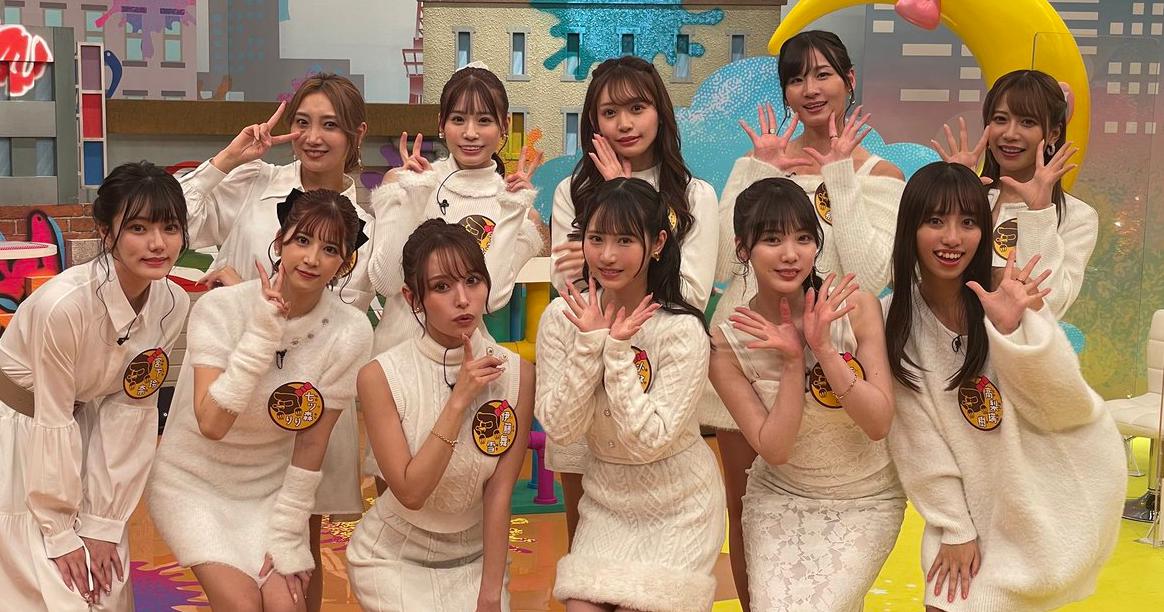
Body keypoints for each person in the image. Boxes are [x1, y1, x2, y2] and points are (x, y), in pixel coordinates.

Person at [704, 30, 905, 607]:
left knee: (832, 569)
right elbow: (722, 263)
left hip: (833, 348)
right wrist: (753, 169)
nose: (810, 89)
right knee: (747, 510)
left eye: (823, 74)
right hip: (750, 348)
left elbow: (869, 276)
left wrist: (840, 175)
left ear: (849, 81)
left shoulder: (881, 174)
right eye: (796, 79)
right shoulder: (765, 163)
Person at [884, 161, 1123, 611]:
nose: (952, 238)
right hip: (963, 506)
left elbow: (1060, 403)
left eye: (968, 222)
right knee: (945, 600)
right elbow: (916, 438)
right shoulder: (893, 319)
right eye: (934, 221)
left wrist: (1012, 331)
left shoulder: (1003, 294)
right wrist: (955, 527)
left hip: (1037, 492)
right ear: (910, 227)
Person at [178, 73, 375, 609]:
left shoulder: (364, 226)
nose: (313, 137)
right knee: (227, 535)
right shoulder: (254, 182)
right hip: (232, 387)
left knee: (296, 548)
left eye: (330, 125)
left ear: (356, 134)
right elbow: (177, 222)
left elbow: (337, 317)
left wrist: (248, 296)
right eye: (303, 122)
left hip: (305, 398)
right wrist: (227, 159)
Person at [148, 189, 373, 611]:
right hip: (194, 482)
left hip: (269, 489)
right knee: (243, 605)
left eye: (330, 249)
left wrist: (288, 532)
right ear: (279, 242)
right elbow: (212, 424)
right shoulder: (221, 308)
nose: (311, 258)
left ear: (344, 263)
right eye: (302, 240)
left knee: (288, 605)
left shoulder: (351, 332)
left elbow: (312, 442)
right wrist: (262, 334)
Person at [0, 162, 190, 611]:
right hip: (22, 436)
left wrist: (103, 523)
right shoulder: (62, 306)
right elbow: (50, 419)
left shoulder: (172, 302)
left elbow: (132, 409)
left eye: (170, 228)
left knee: (106, 582)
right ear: (106, 232)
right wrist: (60, 533)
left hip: (85, 427)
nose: (158, 243)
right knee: (55, 589)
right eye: (139, 228)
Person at [547, 55, 719, 543]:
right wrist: (609, 199)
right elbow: (571, 287)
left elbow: (690, 294)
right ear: (593, 121)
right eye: (609, 112)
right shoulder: (572, 191)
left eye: (637, 108)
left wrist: (617, 198)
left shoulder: (694, 195)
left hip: (657, 368)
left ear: (660, 112)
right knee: (585, 536)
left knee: (658, 525)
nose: (624, 124)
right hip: (584, 372)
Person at [537, 178, 723, 611]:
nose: (607, 255)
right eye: (596, 238)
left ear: (657, 243)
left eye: (624, 240)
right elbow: (561, 430)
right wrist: (590, 344)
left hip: (681, 506)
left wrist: (617, 352)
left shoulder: (681, 328)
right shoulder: (562, 317)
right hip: (606, 501)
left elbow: (647, 440)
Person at [347, 219, 534, 611]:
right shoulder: (380, 377)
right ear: (413, 297)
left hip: (477, 562)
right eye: (441, 287)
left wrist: (490, 595)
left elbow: (499, 493)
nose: (463, 299)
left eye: (472, 280)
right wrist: (458, 401)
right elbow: (411, 492)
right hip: (391, 559)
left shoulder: (518, 374)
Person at [932, 68, 1098, 318]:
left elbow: (1049, 303)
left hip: (1016, 344)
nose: (1009, 134)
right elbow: (913, 275)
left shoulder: (1079, 216)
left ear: (1053, 133)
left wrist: (1039, 213)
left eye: (1027, 122)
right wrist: (954, 192)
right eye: (1000, 119)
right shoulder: (970, 196)